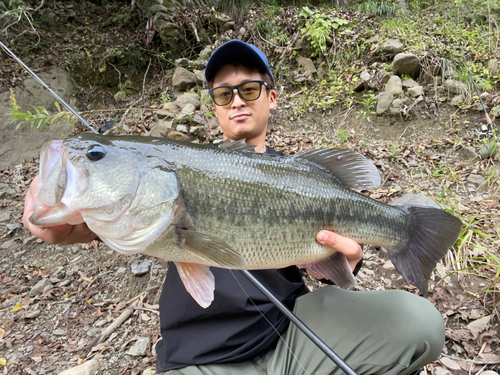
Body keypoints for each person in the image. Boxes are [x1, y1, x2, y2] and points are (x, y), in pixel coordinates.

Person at [23, 40, 445, 375]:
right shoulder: (147, 200)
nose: (238, 101)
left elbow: (340, 264)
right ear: (216, 108)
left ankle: (403, 231)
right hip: (200, 359)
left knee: (419, 325)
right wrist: (51, 201)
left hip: (290, 334)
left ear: (272, 98)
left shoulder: (302, 173)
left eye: (249, 89)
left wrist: (346, 261)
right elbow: (56, 229)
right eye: (225, 94)